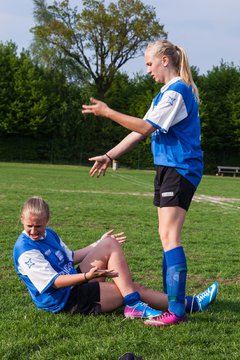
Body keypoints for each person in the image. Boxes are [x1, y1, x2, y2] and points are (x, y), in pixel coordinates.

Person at [82, 39, 210, 327]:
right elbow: (140, 132)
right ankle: (173, 304)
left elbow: (143, 128)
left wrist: (108, 111)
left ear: (165, 60)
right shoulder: (165, 94)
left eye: (149, 64)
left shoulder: (177, 92)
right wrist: (108, 155)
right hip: (170, 169)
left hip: (180, 168)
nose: (148, 70)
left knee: (170, 237)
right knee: (166, 237)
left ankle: (176, 311)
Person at [13, 196, 218, 320]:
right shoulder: (25, 251)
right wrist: (86, 277)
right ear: (22, 220)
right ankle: (190, 304)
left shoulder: (50, 234)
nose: (33, 230)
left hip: (73, 284)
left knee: (109, 243)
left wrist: (98, 244)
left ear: (46, 221)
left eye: (38, 226)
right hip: (63, 300)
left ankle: (134, 303)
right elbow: (55, 283)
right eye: (29, 226)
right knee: (132, 289)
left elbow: (72, 257)